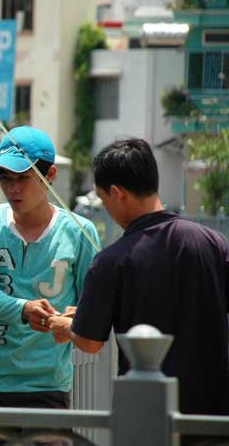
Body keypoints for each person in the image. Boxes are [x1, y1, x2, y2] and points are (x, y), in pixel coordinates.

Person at [48, 138, 229, 419]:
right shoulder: (213, 243)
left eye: (103, 197)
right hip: (213, 415)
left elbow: (90, 342)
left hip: (148, 414)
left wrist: (65, 327)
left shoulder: (111, 261)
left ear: (117, 193)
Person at [0, 126, 100, 438]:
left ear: (49, 174)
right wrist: (24, 308)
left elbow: (93, 306)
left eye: (23, 177)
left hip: (48, 385)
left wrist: (74, 318)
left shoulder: (81, 232)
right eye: (5, 178)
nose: (12, 188)